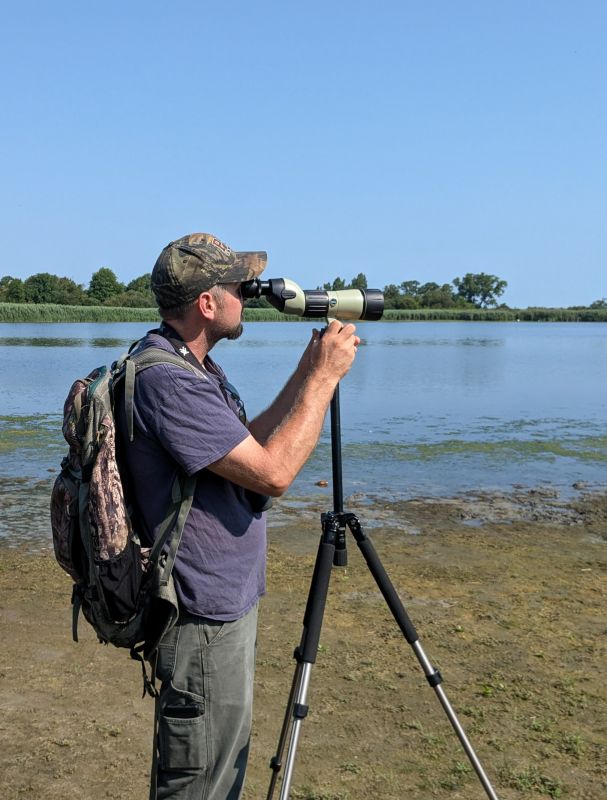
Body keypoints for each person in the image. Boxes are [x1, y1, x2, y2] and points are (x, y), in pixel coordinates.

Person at [117, 232, 360, 800]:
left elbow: (244, 448)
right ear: (207, 303)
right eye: (238, 288)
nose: (246, 297)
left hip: (219, 607)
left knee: (221, 768)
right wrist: (324, 381)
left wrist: (305, 374)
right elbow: (274, 474)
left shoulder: (192, 366)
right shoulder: (167, 380)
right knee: (200, 780)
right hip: (200, 616)